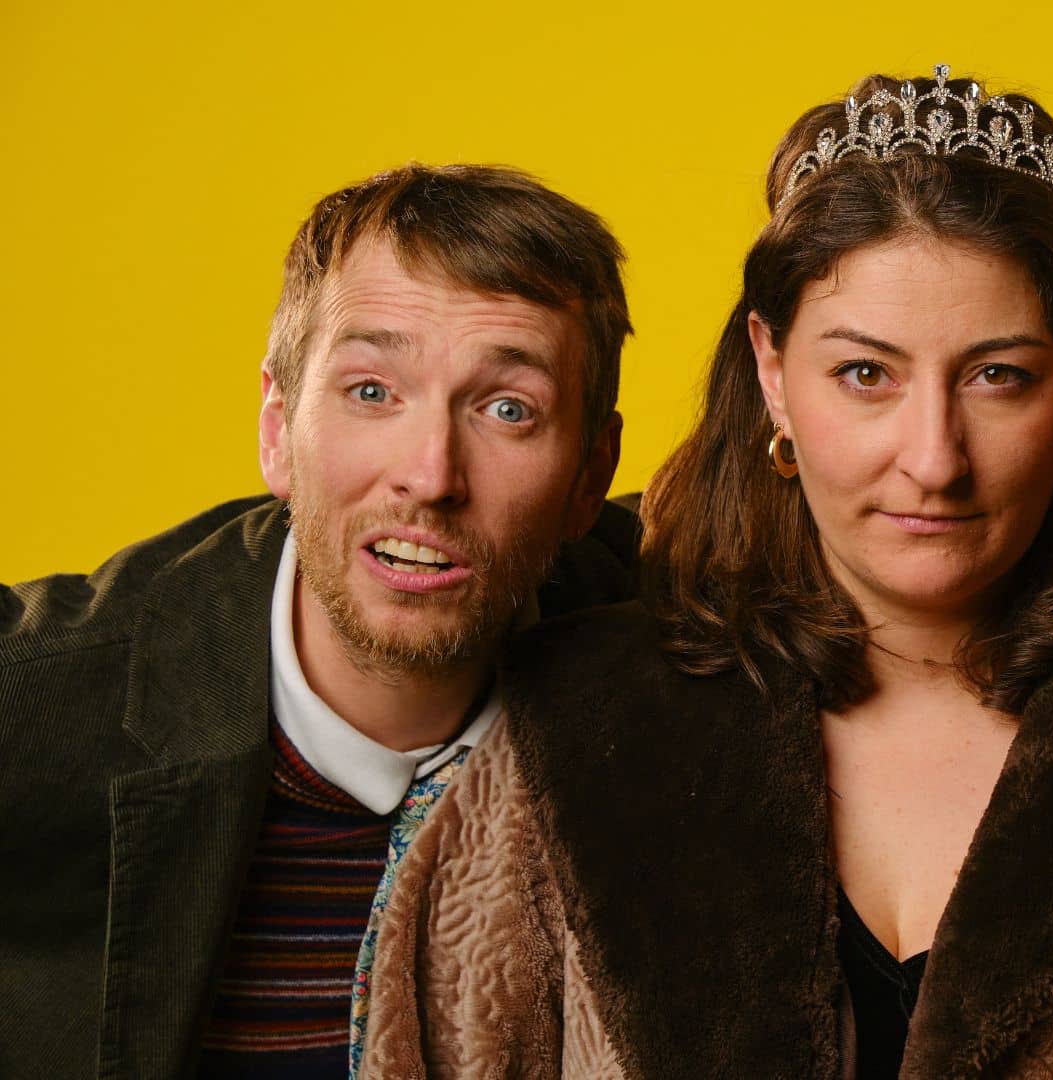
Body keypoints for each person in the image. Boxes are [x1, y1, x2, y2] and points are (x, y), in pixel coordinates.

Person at [357, 68, 1053, 1077]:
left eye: (999, 377)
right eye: (865, 373)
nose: (934, 458)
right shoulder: (567, 733)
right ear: (772, 371)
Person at [0, 163, 636, 1077]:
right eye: (371, 391)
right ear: (276, 428)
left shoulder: (684, 661)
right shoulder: (37, 705)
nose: (430, 475)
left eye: (508, 410)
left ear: (590, 476)